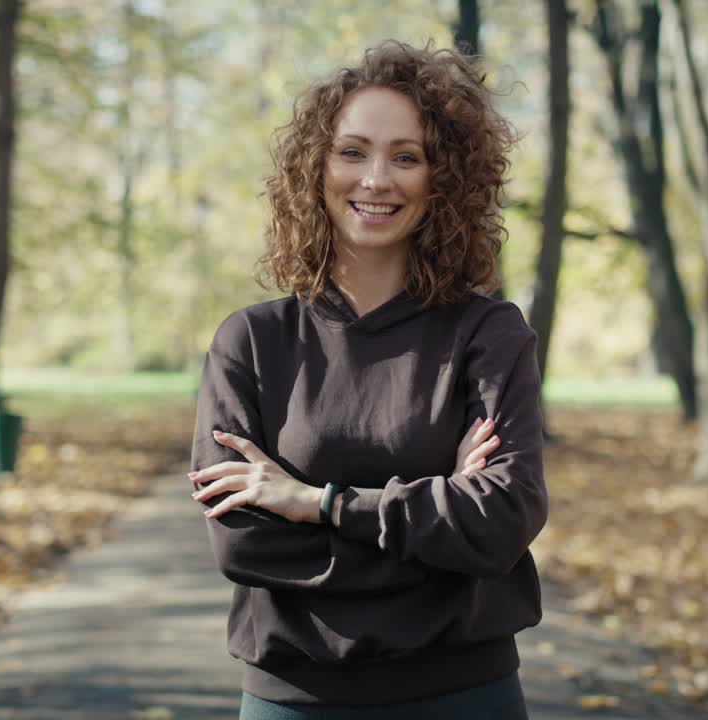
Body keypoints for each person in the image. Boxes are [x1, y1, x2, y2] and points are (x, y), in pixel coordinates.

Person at [189, 40, 547, 720]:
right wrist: (442, 516)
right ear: (315, 169)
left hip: (464, 694)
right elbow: (244, 542)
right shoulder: (253, 342)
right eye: (352, 152)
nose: (376, 179)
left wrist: (316, 503)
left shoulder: (488, 334)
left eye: (406, 156)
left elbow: (503, 523)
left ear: (444, 179)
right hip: (294, 698)